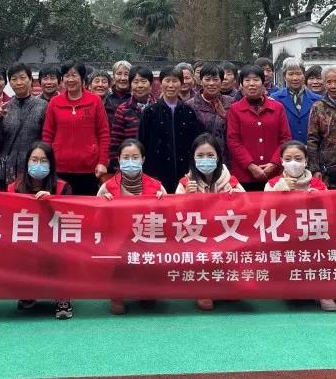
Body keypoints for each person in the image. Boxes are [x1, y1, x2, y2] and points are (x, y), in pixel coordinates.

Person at [174, 133, 243, 312]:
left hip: (224, 235)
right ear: (193, 158)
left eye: (210, 155)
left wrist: (237, 199)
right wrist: (187, 198)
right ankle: (202, 288)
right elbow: (175, 216)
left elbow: (248, 210)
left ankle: (227, 285)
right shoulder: (185, 183)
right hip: (199, 237)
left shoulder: (231, 181)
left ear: (218, 157)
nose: (206, 159)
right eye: (200, 155)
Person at [6, 142, 74, 320]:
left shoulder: (62, 187)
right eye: (34, 160)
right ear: (27, 162)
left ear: (51, 164)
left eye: (43, 161)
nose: (38, 164)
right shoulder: (14, 187)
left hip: (54, 240)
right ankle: (28, 293)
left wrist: (53, 204)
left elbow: (71, 218)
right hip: (25, 240)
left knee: (63, 254)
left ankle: (62, 297)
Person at [99, 138, 167, 316]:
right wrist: (103, 204)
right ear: (119, 160)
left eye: (135, 157)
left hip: (147, 239)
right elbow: (95, 218)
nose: (130, 162)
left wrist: (163, 203)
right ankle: (117, 295)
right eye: (126, 158)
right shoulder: (107, 187)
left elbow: (169, 217)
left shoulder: (157, 187)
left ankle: (147, 290)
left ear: (143, 159)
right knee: (120, 261)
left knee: (150, 289)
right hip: (118, 241)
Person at [265, 141, 335, 312]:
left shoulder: (317, 184)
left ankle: (323, 291)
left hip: (312, 235)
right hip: (284, 236)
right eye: (288, 159)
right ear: (281, 161)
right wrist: (281, 190)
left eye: (298, 158)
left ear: (306, 161)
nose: (293, 163)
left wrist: (318, 200)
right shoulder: (273, 183)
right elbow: (264, 212)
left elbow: (331, 214)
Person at [42, 60, 110, 195]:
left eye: (74, 75)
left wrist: (102, 162)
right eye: (67, 76)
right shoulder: (55, 102)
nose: (70, 79)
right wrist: (47, 160)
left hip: (89, 169)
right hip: (59, 167)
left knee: (86, 206)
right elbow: (47, 134)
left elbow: (103, 133)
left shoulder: (95, 101)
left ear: (82, 78)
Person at [138, 66, 204, 193]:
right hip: (156, 174)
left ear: (181, 84)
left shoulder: (189, 111)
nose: (171, 85)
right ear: (160, 83)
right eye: (167, 81)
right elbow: (142, 143)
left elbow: (195, 144)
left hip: (185, 174)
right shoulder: (150, 112)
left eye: (175, 81)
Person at [226, 65, 290, 191]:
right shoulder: (235, 109)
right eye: (247, 80)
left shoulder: (277, 107)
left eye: (256, 80)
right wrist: (250, 166)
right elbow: (233, 141)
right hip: (245, 175)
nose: (252, 84)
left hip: (274, 174)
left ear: (263, 83)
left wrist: (274, 163)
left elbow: (285, 138)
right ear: (241, 85)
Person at [0, 62, 48, 188]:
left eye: (22, 78)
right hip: (7, 168)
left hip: (32, 165)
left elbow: (47, 138)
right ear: (9, 83)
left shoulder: (43, 106)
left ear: (30, 80)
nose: (18, 82)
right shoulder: (5, 107)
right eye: (14, 79)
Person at [109, 65, 155, 169]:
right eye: (136, 82)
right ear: (130, 85)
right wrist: (118, 167)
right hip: (130, 166)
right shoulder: (123, 109)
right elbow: (115, 142)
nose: (140, 85)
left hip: (154, 166)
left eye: (143, 81)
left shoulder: (158, 108)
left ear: (150, 85)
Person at [188, 63, 234, 165]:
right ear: (201, 81)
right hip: (201, 160)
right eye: (207, 79)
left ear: (221, 81)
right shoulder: (190, 105)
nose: (211, 83)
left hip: (226, 160)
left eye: (215, 79)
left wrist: (225, 116)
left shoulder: (232, 103)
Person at [269, 57, 316, 143]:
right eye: (290, 74)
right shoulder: (275, 99)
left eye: (298, 74)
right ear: (284, 77)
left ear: (304, 75)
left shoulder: (317, 100)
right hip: (285, 147)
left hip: (310, 148)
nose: (295, 78)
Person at [104, 60, 132, 126]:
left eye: (126, 74)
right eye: (119, 74)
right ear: (113, 77)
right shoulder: (106, 97)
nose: (123, 78)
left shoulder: (136, 98)